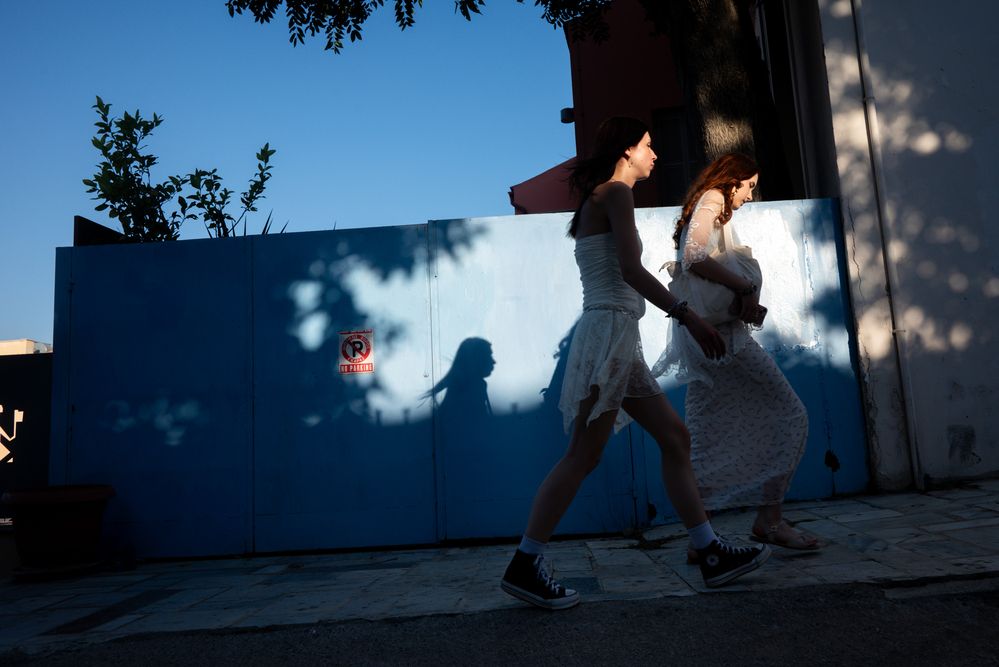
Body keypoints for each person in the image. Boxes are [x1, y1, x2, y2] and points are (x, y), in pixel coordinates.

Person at [500, 118, 770, 611]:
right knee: (583, 456)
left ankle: (709, 551)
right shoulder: (615, 193)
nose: (655, 154)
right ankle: (525, 562)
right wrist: (688, 316)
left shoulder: (600, 198)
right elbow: (629, 269)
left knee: (674, 438)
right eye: (648, 145)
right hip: (610, 335)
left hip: (613, 335)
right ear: (626, 150)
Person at [653, 153, 820, 560]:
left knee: (707, 430)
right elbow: (694, 256)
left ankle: (703, 537)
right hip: (722, 339)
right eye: (748, 186)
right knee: (790, 414)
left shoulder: (708, 205)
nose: (749, 195)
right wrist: (744, 287)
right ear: (731, 182)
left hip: (709, 337)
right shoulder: (713, 198)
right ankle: (769, 521)